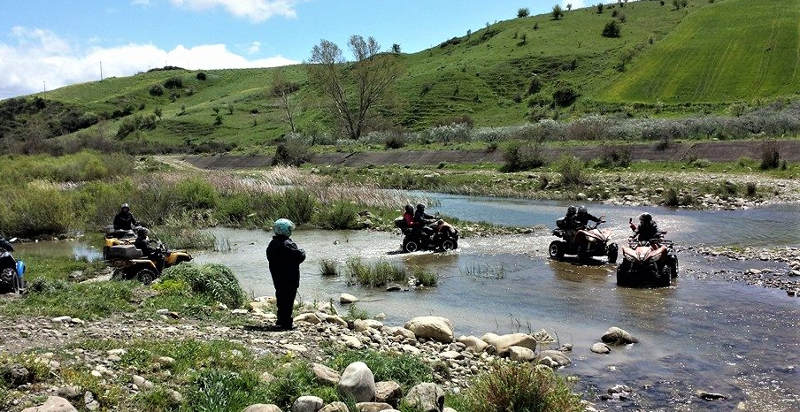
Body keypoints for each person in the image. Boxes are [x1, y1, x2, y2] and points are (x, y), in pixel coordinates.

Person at [266, 218, 306, 331]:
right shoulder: (287, 244)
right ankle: (286, 323)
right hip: (289, 277)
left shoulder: (272, 244)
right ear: (284, 230)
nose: (291, 231)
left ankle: (281, 320)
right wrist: (303, 252)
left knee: (281, 298)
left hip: (277, 277)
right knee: (288, 300)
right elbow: (299, 256)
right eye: (289, 229)